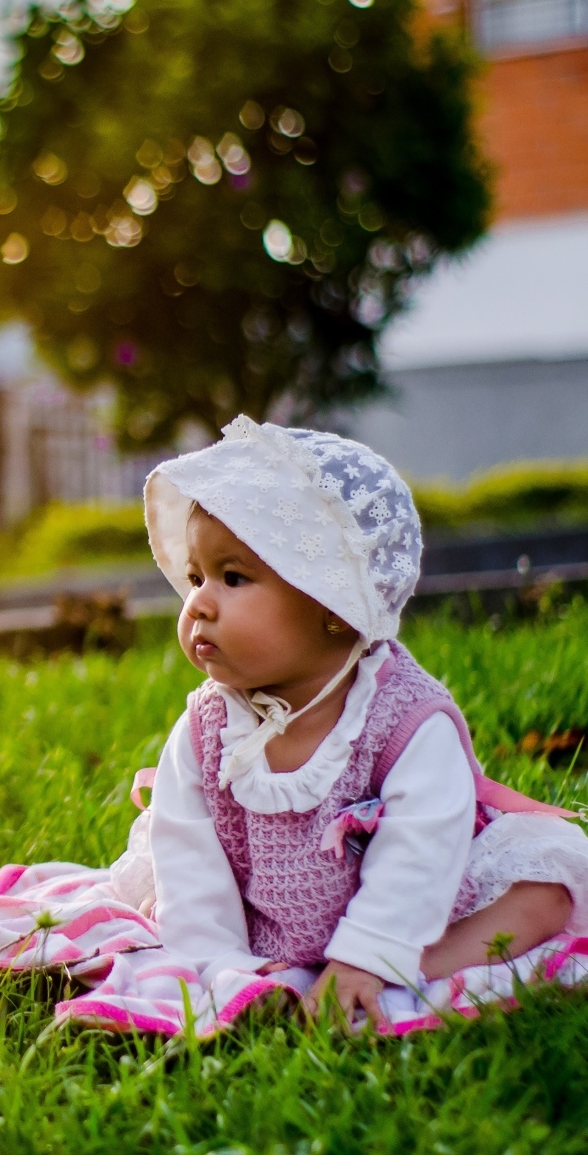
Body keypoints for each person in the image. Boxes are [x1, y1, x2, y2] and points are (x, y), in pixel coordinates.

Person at [139, 416, 588, 1028]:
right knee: (170, 901)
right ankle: (292, 979)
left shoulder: (403, 718)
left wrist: (368, 951)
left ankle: (408, 964)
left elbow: (422, 849)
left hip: (425, 904)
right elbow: (192, 866)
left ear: (334, 604)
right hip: (268, 921)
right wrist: (223, 970)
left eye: (233, 577)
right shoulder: (205, 732)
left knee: (544, 896)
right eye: (196, 578)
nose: (198, 604)